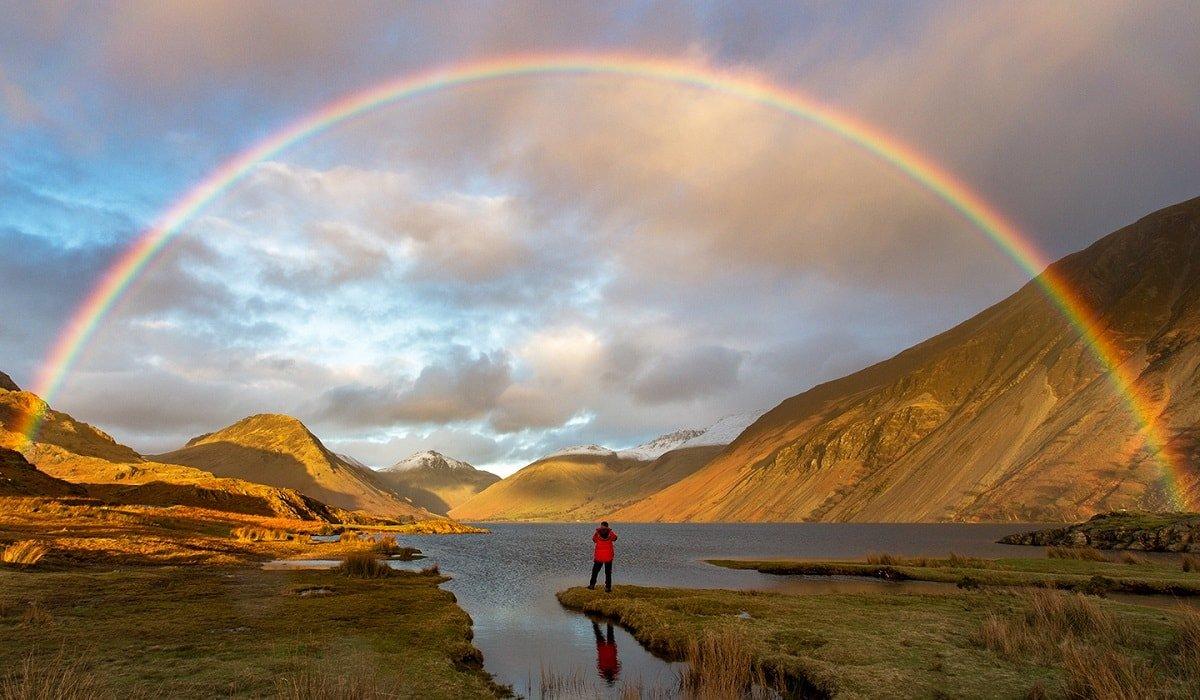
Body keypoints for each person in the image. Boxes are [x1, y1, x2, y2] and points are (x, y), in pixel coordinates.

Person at [588, 520, 618, 592]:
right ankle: (608, 588)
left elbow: (594, 540)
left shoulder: (597, 533)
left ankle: (592, 585)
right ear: (607, 526)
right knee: (608, 572)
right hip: (608, 556)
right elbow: (615, 538)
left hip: (599, 556)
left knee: (595, 571)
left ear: (601, 525)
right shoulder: (610, 533)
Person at [592, 620, 620, 685]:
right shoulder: (603, 671)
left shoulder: (614, 670)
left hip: (610, 648)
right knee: (597, 631)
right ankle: (594, 620)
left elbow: (619, 664)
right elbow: (598, 663)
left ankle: (608, 620)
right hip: (602, 648)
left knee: (610, 631)